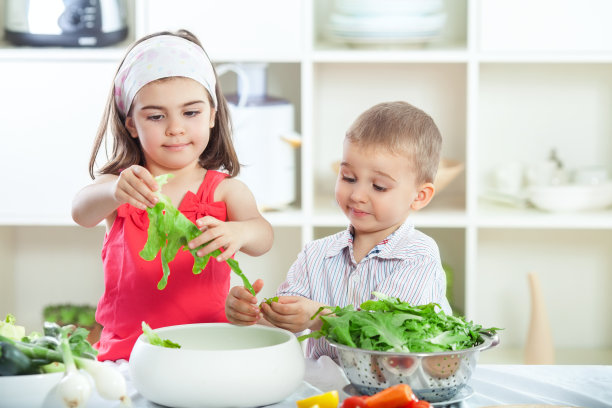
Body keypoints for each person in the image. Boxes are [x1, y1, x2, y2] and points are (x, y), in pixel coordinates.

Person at [72, 29, 274, 361]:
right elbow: (81, 211)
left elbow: (263, 236)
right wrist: (113, 189)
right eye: (155, 116)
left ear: (212, 115)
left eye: (190, 112)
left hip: (208, 350)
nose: (175, 128)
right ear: (132, 125)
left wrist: (239, 231)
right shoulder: (123, 187)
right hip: (127, 354)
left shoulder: (224, 190)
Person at [225, 101, 451, 360]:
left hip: (394, 394)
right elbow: (287, 325)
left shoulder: (418, 255)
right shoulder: (316, 255)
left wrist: (322, 318)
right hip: (326, 394)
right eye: (348, 178)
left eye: (378, 186)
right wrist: (252, 315)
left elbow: (393, 336)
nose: (357, 195)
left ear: (420, 196)